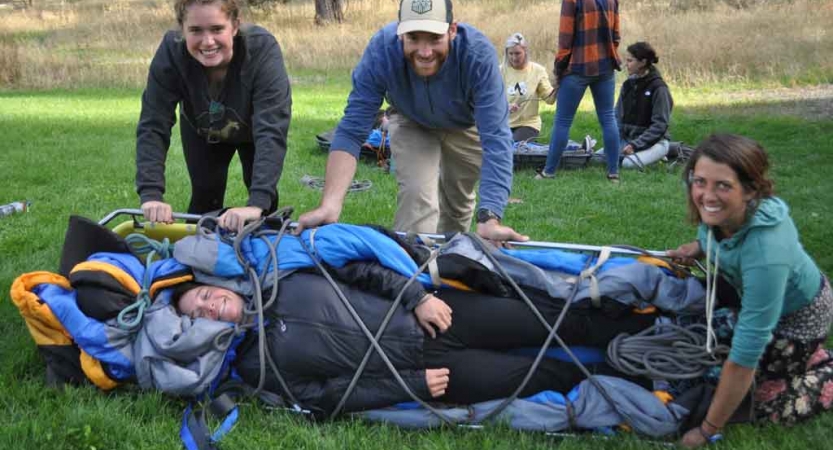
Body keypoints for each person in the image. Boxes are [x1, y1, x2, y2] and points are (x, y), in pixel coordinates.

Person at [173, 261, 656, 415]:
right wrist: (411, 387)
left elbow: (362, 270)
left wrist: (415, 297)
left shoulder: (285, 276)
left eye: (207, 295)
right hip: (431, 374)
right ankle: (650, 380)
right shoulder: (255, 369)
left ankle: (653, 332)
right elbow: (327, 397)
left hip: (440, 316)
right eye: (200, 313)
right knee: (547, 374)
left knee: (552, 322)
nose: (211, 305)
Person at [296, 0, 528, 243]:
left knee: (457, 205)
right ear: (400, 33)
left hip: (465, 125)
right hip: (411, 119)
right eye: (413, 38)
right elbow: (352, 130)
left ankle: (449, 261)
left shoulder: (478, 55)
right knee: (417, 199)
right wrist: (330, 205)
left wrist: (490, 217)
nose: (425, 51)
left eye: (434, 38)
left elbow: (496, 138)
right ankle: (412, 269)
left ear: (452, 30)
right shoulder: (382, 51)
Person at [666, 134, 833, 447]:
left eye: (723, 185)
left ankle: (822, 366)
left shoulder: (766, 252)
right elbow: (714, 235)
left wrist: (707, 429)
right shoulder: (723, 214)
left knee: (756, 403)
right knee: (693, 341)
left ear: (751, 190)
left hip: (799, 323)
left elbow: (744, 356)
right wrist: (698, 247)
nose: (707, 195)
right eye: (699, 181)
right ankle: (806, 360)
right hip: (756, 298)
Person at [135, 0, 291, 232]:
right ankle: (196, 259)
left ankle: (266, 253)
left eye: (217, 29)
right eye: (196, 30)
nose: (208, 42)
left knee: (262, 206)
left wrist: (257, 203)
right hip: (202, 127)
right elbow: (153, 123)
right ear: (182, 29)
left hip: (254, 130)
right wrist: (151, 194)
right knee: (205, 194)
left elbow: (271, 129)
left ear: (235, 26)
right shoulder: (171, 51)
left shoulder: (261, 49)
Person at [538, 0, 621, 182]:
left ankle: (549, 172)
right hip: (605, 67)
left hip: (577, 68)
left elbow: (565, 39)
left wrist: (559, 70)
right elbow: (616, 36)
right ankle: (613, 173)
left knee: (562, 121)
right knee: (608, 118)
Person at [594, 41, 673, 170]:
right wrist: (614, 141)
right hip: (627, 141)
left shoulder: (659, 88)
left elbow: (660, 125)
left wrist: (635, 145)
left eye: (630, 61)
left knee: (627, 164)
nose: (626, 65)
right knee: (596, 159)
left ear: (642, 62)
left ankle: (661, 154)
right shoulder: (627, 85)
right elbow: (616, 116)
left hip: (655, 142)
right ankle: (648, 156)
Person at [500, 32, 556, 142]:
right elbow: (491, 99)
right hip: (503, 123)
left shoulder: (538, 71)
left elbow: (549, 99)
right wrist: (505, 106)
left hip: (528, 124)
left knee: (513, 149)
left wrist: (559, 85)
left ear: (525, 52)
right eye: (510, 54)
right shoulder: (499, 71)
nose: (514, 58)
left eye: (517, 53)